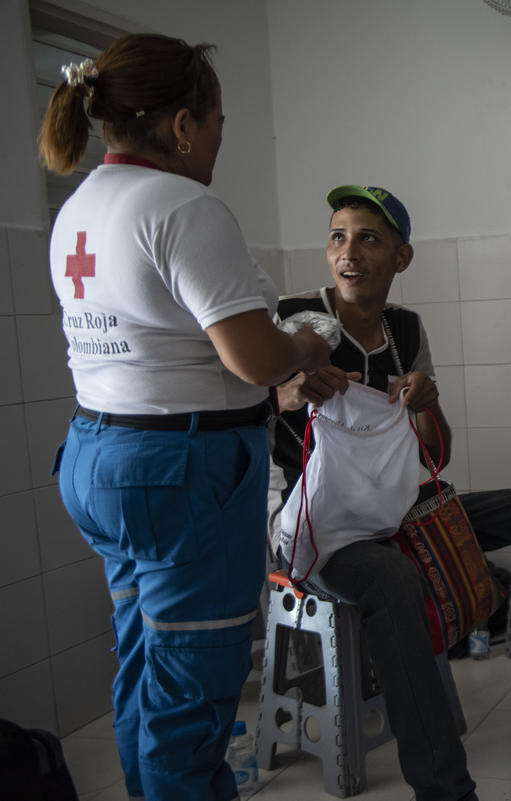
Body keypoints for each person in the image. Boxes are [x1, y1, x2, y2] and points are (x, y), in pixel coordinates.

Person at [41, 35, 331, 801]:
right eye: (217, 126)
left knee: (145, 666)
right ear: (181, 126)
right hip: (178, 478)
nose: (214, 145)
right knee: (191, 698)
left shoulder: (77, 210)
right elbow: (255, 359)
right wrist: (302, 341)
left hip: (98, 460)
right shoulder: (181, 205)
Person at [267, 185, 511, 801]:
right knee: (394, 579)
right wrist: (286, 394)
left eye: (369, 238)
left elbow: (436, 447)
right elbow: (243, 412)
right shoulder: (298, 318)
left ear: (402, 257)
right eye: (339, 237)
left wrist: (428, 403)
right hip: (313, 527)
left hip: (399, 506)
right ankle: (446, 791)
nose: (350, 253)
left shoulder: (403, 330)